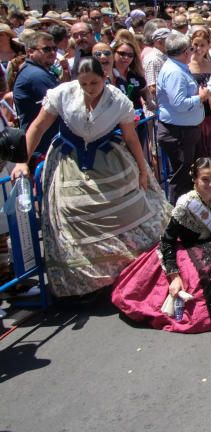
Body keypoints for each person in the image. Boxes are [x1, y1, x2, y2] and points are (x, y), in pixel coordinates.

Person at [12, 57, 168, 298]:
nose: (89, 88)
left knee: (122, 214)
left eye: (94, 82)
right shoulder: (62, 94)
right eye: (83, 83)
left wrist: (142, 169)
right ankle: (84, 284)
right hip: (68, 159)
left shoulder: (117, 100)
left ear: (104, 78)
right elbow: (37, 127)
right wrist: (22, 160)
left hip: (108, 159)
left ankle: (122, 273)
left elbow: (131, 138)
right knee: (70, 213)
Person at [111, 157, 211, 333]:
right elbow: (168, 240)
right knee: (203, 274)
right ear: (195, 180)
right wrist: (174, 275)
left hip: (210, 244)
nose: (210, 184)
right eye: (205, 179)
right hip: (185, 248)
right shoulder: (186, 204)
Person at [156, 32, 209, 202]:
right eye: (192, 48)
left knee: (185, 174)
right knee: (181, 177)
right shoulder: (174, 72)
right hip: (178, 132)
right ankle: (179, 213)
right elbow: (179, 103)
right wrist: (200, 98)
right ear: (185, 52)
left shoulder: (177, 67)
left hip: (184, 130)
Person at [13, 30, 60, 155]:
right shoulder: (35, 76)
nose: (52, 53)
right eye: (46, 49)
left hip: (45, 145)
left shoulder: (41, 71)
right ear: (30, 52)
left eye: (54, 48)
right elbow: (63, 104)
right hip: (40, 149)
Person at [188, 27, 211, 161]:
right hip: (194, 115)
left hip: (209, 115)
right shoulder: (187, 65)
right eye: (195, 44)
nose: (198, 48)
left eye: (202, 45)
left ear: (208, 46)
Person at [111, 31, 149, 111]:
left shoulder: (135, 75)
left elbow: (145, 93)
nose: (126, 57)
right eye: (122, 54)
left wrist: (149, 101)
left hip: (138, 119)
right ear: (113, 53)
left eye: (130, 55)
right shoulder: (109, 76)